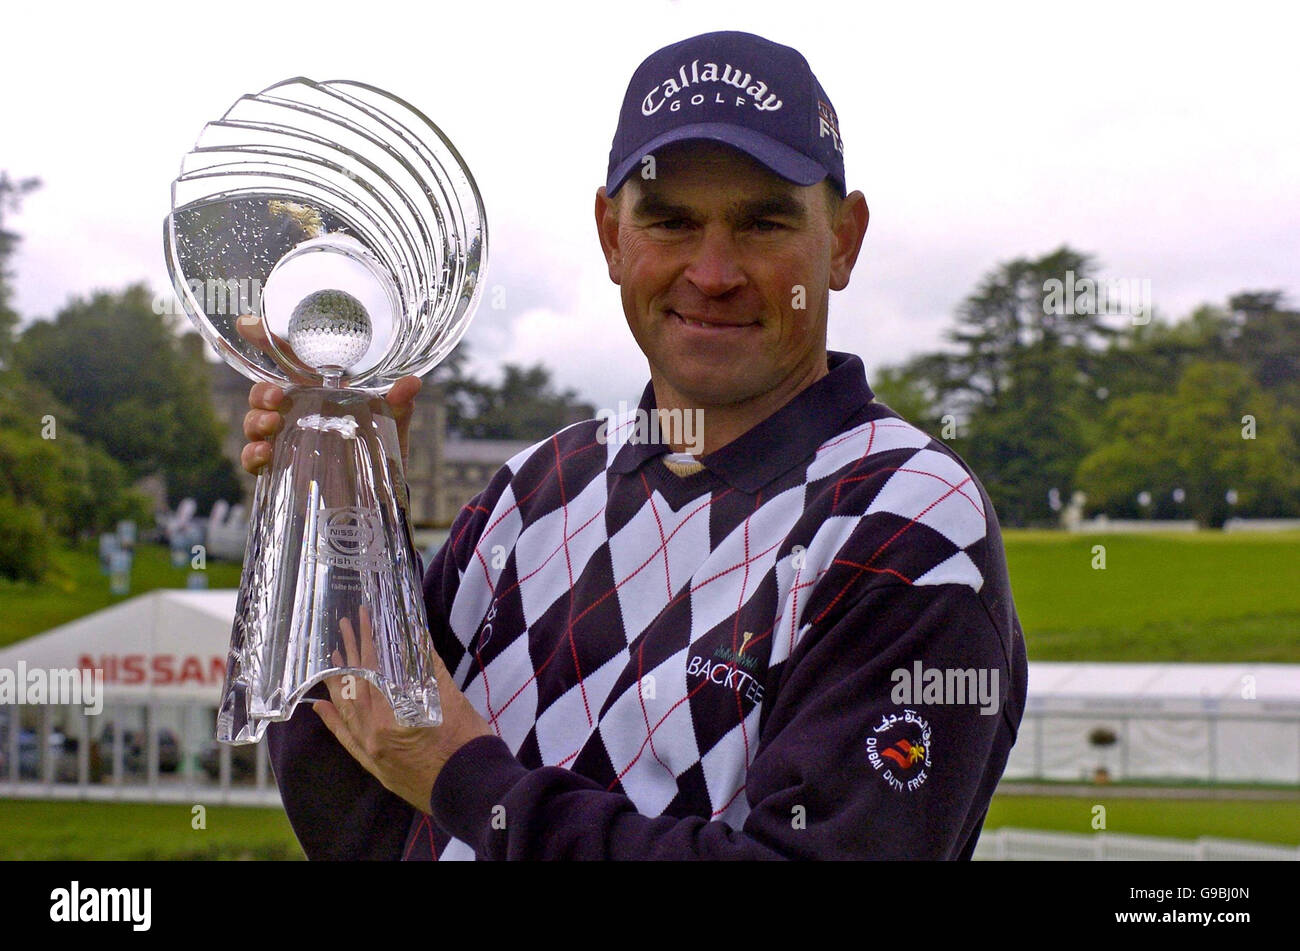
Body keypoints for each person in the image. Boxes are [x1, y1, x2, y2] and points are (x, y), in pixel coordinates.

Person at [240, 29, 1027, 860]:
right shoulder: (531, 489)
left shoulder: (908, 523)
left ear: (844, 239)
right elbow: (357, 815)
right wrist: (334, 508)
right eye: (671, 221)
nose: (714, 271)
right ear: (612, 236)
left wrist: (463, 775)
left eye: (762, 222)